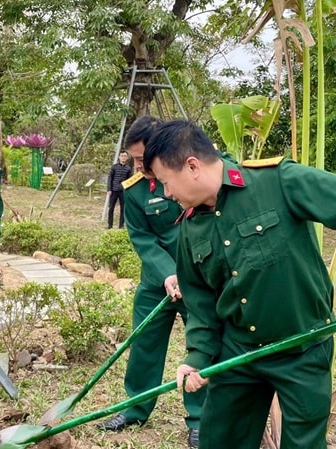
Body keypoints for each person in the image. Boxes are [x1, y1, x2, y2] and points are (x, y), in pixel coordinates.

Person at [143, 120, 336, 449]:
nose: (166, 193)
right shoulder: (190, 226)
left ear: (192, 166)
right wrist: (198, 355)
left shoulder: (277, 181)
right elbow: (199, 298)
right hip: (238, 352)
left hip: (302, 346)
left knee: (302, 445)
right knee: (219, 441)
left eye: (165, 182)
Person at [96, 117, 204, 449]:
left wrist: (186, 275)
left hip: (198, 281)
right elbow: (142, 238)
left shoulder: (191, 178)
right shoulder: (136, 189)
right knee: (143, 342)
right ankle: (136, 408)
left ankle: (200, 420)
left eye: (144, 159)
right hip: (157, 280)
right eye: (135, 160)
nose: (140, 166)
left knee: (201, 347)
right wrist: (168, 273)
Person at [106, 150, 132, 229]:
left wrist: (129, 191)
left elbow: (129, 180)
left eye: (125, 156)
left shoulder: (128, 168)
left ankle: (121, 225)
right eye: (122, 156)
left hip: (123, 191)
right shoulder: (114, 167)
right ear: (119, 157)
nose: (123, 157)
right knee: (111, 208)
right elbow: (110, 178)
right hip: (114, 190)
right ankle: (110, 225)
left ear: (127, 158)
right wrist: (109, 189)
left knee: (123, 208)